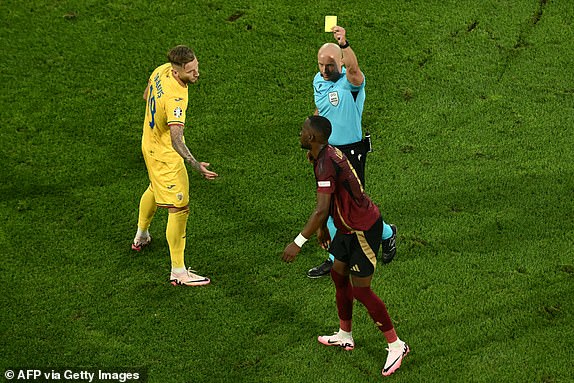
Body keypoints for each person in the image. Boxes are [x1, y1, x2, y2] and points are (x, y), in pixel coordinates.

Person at [282, 116, 409, 377]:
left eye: (303, 131)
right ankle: (345, 334)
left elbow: (321, 210)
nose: (300, 133)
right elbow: (327, 203)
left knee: (362, 291)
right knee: (338, 274)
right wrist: (323, 228)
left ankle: (396, 345)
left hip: (362, 228)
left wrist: (298, 242)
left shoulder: (326, 162)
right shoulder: (321, 155)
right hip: (345, 227)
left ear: (312, 138)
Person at [307, 25, 397, 278]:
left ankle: (387, 233)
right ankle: (335, 258)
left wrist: (345, 45)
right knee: (333, 208)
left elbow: (355, 71)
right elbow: (320, 110)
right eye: (320, 65)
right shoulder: (318, 80)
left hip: (350, 153)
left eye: (330, 66)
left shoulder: (351, 83)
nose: (324, 71)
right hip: (326, 152)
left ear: (341, 63)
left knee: (356, 210)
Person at [131, 45, 218, 286]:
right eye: (191, 72)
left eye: (196, 67)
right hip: (164, 155)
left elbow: (146, 95)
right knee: (179, 208)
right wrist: (194, 164)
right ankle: (178, 272)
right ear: (177, 71)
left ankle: (142, 235)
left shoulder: (161, 71)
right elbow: (176, 138)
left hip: (148, 141)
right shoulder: (176, 98)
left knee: (154, 187)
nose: (196, 74)